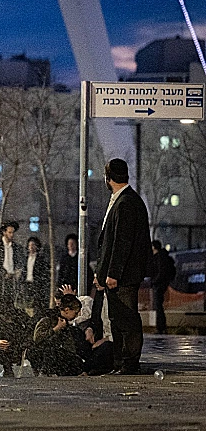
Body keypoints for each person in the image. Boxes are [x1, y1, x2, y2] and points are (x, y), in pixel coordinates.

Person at [94, 158, 152, 375]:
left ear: (108, 178)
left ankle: (128, 362)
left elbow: (121, 242)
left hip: (123, 276)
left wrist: (112, 273)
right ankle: (120, 362)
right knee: (117, 318)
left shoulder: (125, 202)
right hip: (118, 274)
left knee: (126, 318)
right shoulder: (124, 200)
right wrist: (102, 273)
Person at [30, 294, 83, 376]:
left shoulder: (64, 321)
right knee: (51, 348)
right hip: (39, 352)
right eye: (75, 313)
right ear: (67, 310)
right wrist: (57, 328)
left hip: (53, 352)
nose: (76, 316)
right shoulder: (48, 317)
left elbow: (68, 343)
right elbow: (38, 338)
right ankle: (44, 371)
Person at [0, 221, 24, 305]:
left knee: (10, 299)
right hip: (0, 277)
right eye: (9, 232)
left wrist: (17, 270)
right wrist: (3, 273)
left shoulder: (15, 247)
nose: (12, 235)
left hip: (12, 277)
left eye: (13, 232)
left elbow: (18, 260)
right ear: (4, 232)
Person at [149, 240, 177, 334]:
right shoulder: (163, 256)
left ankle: (160, 327)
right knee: (158, 306)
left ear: (154, 247)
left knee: (158, 306)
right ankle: (161, 327)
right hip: (162, 283)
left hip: (159, 284)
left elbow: (160, 272)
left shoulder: (159, 257)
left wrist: (154, 281)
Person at [22, 237, 51, 318]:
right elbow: (24, 271)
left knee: (37, 303)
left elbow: (43, 273)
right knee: (27, 303)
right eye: (30, 245)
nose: (31, 247)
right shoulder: (26, 258)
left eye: (33, 245)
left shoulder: (40, 259)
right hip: (27, 283)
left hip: (36, 284)